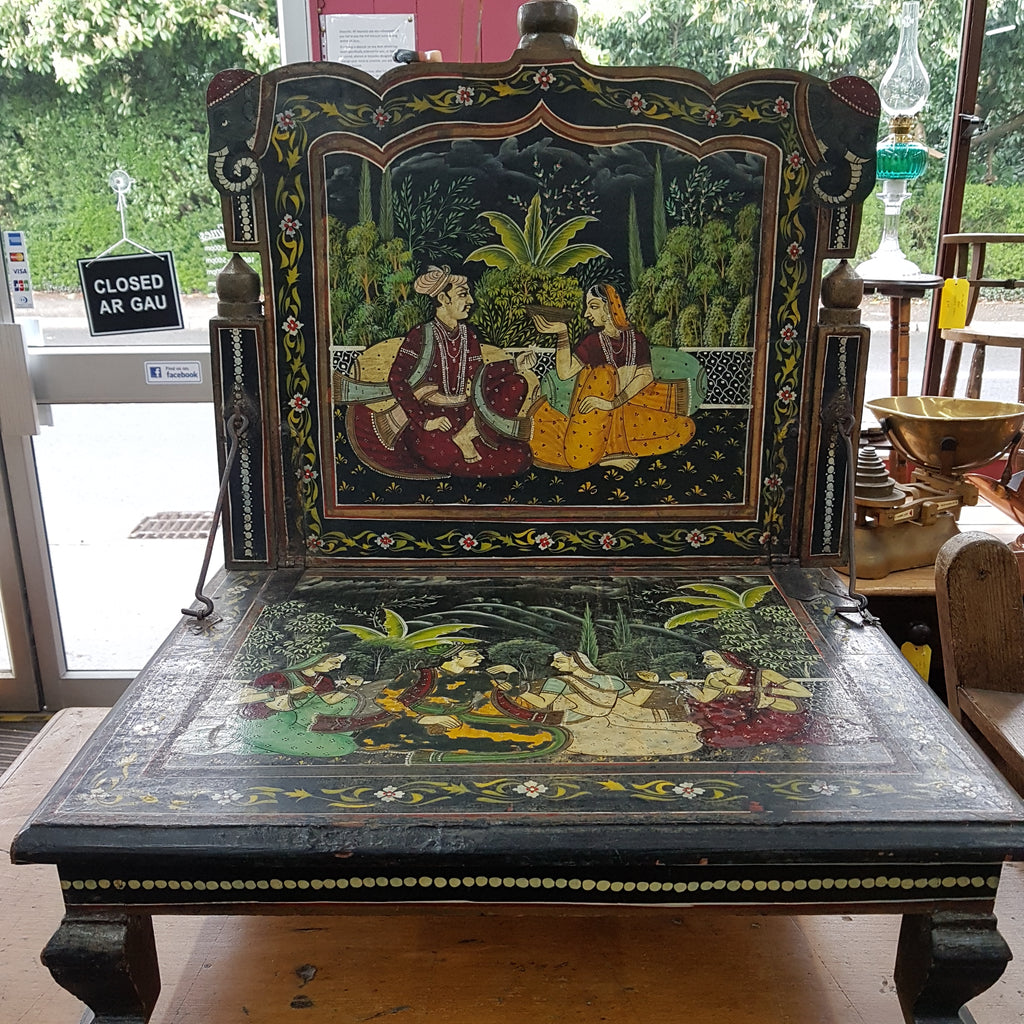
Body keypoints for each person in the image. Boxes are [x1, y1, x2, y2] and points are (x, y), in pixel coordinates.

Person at [343, 266, 536, 479]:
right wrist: (425, 421)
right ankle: (461, 447)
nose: (471, 301)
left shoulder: (468, 336)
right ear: (443, 298)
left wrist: (514, 365)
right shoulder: (420, 335)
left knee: (521, 435)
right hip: (432, 425)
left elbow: (480, 376)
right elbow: (397, 380)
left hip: (466, 420)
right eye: (463, 294)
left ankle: (467, 437)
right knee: (451, 454)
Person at [529, 284, 699, 471]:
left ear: (610, 307)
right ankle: (605, 458)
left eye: (593, 307)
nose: (587, 314)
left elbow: (644, 376)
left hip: (626, 412)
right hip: (595, 416)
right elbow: (564, 373)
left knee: (684, 428)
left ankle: (608, 453)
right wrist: (562, 333)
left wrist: (612, 404)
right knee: (604, 374)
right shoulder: (592, 342)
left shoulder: (637, 339)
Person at [309, 646, 569, 763]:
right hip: (411, 723)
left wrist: (544, 716)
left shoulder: (480, 677)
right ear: (455, 656)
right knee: (369, 740)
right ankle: (431, 755)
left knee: (546, 738)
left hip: (464, 722)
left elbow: (501, 703)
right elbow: (385, 699)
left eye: (479, 654)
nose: (479, 657)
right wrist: (423, 718)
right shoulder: (422, 676)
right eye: (472, 653)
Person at [508, 650, 703, 758]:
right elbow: (636, 701)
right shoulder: (611, 680)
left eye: (559, 662)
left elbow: (541, 703)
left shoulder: (559, 682)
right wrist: (649, 684)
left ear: (575, 662)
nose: (553, 666)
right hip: (604, 724)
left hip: (575, 727)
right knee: (679, 735)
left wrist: (518, 691)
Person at [681, 649, 829, 749]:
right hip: (745, 714)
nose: (705, 661)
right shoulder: (714, 677)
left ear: (727, 658)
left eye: (710, 657)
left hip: (777, 715)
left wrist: (752, 689)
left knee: (715, 737)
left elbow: (805, 693)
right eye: (704, 659)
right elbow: (705, 699)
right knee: (706, 725)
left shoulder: (763, 674)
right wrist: (684, 684)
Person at [234, 653, 370, 758]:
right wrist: (288, 692)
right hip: (265, 723)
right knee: (345, 746)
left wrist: (352, 687)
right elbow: (241, 698)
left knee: (349, 701)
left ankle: (338, 730)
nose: (338, 666)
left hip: (294, 716)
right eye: (335, 662)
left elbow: (331, 701)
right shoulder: (278, 677)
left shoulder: (323, 680)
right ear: (318, 659)